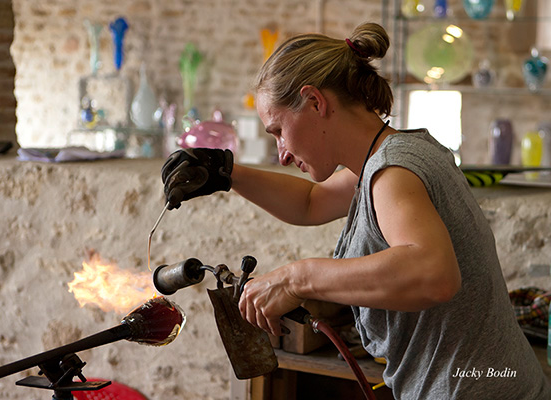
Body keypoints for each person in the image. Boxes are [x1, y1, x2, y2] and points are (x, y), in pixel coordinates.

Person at [161, 22, 551, 399]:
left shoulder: (393, 171)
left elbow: (434, 275)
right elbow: (310, 202)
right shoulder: (390, 156)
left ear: (315, 101)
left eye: (278, 130)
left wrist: (295, 279)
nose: (280, 154)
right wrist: (226, 173)